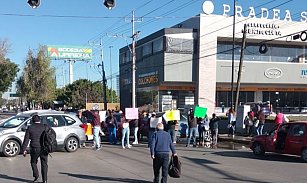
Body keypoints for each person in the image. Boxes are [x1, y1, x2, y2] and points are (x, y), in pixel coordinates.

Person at [21, 115, 52, 183]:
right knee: (44, 164)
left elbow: (26, 140)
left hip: (35, 148)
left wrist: (24, 149)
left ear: (32, 120)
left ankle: (36, 176)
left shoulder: (30, 128)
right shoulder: (45, 126)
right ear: (39, 120)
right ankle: (45, 180)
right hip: (44, 148)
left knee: (33, 162)